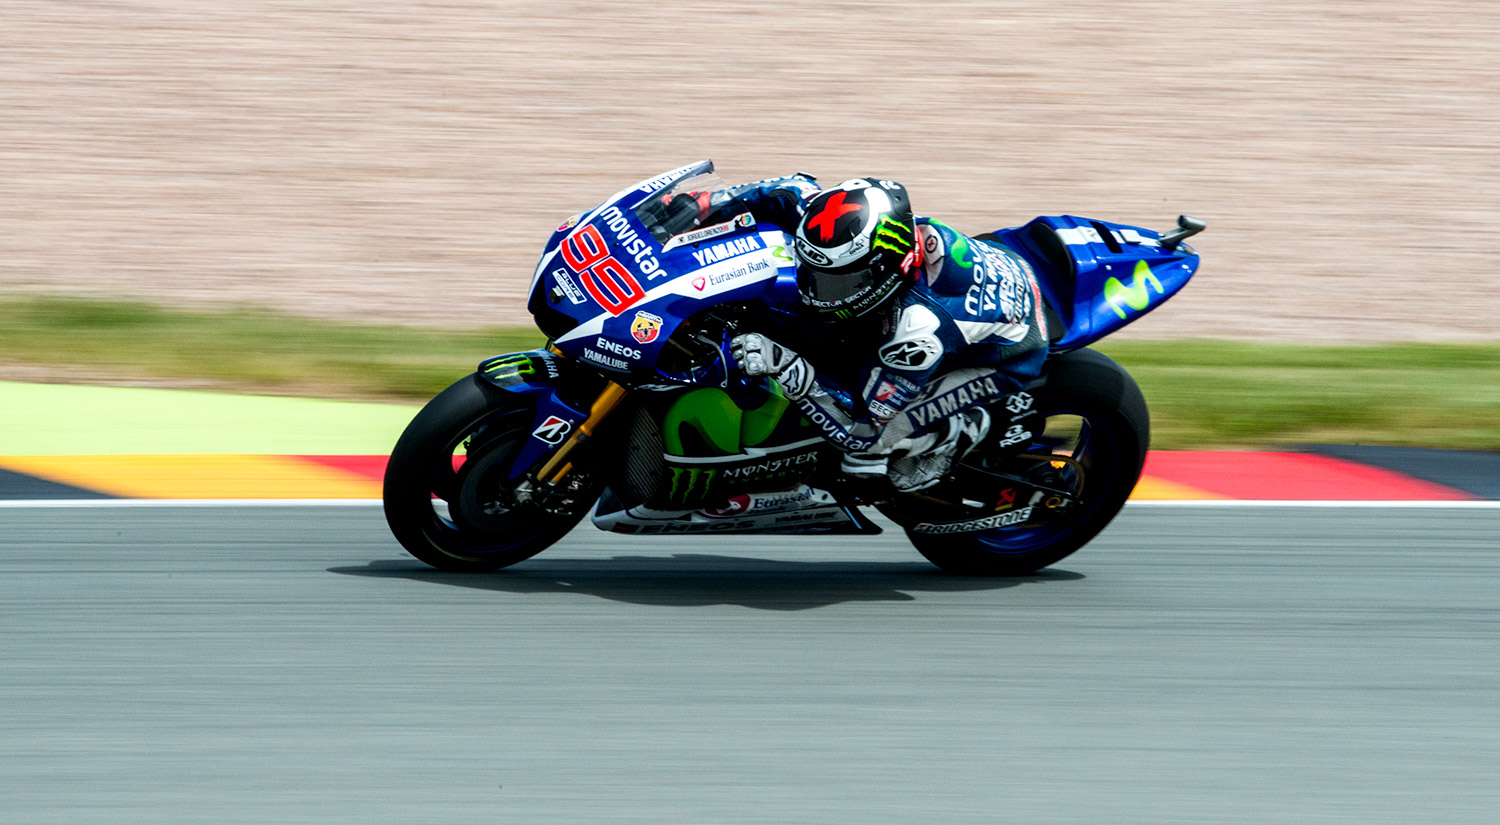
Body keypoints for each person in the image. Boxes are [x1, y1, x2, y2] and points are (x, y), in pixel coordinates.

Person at [700, 175, 1051, 493]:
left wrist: (788, 368)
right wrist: (698, 206)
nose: (814, 291)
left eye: (838, 282)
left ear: (886, 270)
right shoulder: (832, 222)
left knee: (868, 453)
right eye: (811, 272)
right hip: (989, 277)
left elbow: (858, 431)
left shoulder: (917, 330)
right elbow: (785, 189)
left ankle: (959, 433)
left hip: (1009, 354)